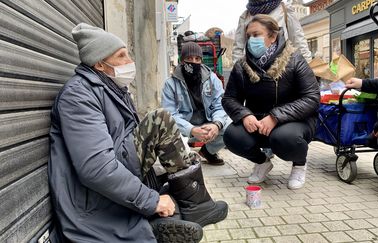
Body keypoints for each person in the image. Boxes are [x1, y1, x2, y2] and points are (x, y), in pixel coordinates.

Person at [48, 23, 227, 243]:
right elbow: (95, 167)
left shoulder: (110, 88)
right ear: (99, 63)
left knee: (161, 121)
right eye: (121, 56)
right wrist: (151, 200)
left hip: (118, 167)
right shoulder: (77, 96)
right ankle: (181, 210)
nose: (130, 61)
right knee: (160, 120)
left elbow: (127, 141)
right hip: (91, 200)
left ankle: (195, 205)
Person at [222, 15, 320, 189]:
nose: (251, 40)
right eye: (249, 36)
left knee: (283, 138)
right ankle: (262, 162)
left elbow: (312, 98)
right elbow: (229, 98)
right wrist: (244, 115)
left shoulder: (295, 60)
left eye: (256, 35)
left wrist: (275, 116)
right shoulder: (241, 66)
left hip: (294, 121)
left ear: (273, 36)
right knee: (232, 136)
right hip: (258, 121)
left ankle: (299, 164)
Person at [162, 42, 231, 165]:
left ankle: (208, 152)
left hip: (207, 124)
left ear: (201, 61)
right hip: (184, 128)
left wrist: (216, 125)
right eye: (189, 58)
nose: (193, 62)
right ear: (182, 60)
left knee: (230, 128)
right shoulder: (170, 84)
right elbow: (170, 114)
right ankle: (184, 153)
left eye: (197, 59)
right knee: (165, 132)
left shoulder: (212, 79)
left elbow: (220, 105)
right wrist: (192, 129)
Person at [232, 0, 312, 64]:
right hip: (253, 71)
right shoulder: (245, 16)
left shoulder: (284, 10)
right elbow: (238, 50)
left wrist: (308, 69)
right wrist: (238, 72)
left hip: (283, 69)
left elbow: (299, 41)